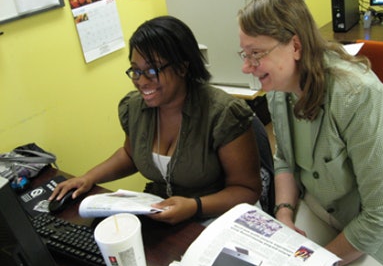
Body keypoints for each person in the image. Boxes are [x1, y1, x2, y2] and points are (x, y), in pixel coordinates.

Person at [237, 0, 383, 266]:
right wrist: (284, 213)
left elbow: (382, 213)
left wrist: (317, 263)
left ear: (296, 46)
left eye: (256, 54)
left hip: (371, 231)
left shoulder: (358, 96)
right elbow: (285, 158)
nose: (245, 66)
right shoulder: (280, 90)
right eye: (244, 53)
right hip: (318, 211)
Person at [50, 15, 262, 225]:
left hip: (219, 215)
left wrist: (194, 206)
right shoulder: (134, 108)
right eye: (136, 71)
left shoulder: (222, 114)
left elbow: (247, 190)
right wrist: (88, 178)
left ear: (182, 67)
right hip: (163, 211)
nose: (141, 81)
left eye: (152, 70)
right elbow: (130, 154)